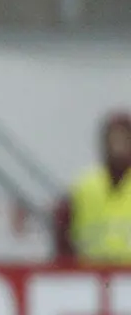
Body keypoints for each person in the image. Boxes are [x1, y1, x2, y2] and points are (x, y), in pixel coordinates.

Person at [54, 111, 131, 263]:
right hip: (91, 272)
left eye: (124, 139)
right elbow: (63, 233)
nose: (118, 145)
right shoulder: (83, 186)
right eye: (114, 139)